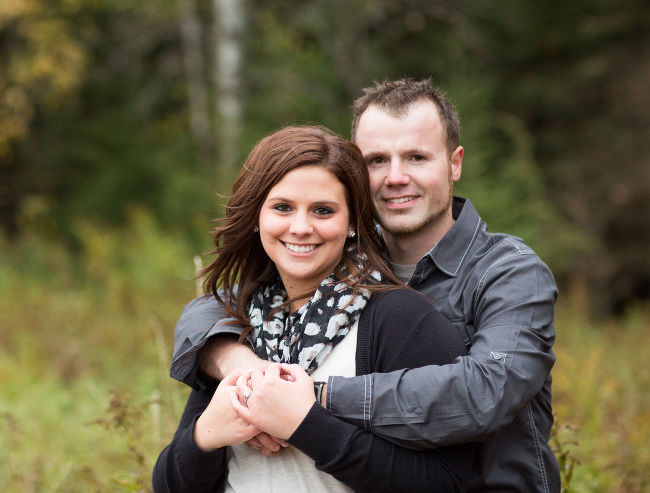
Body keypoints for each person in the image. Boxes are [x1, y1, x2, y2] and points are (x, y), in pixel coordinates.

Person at [169, 78, 560, 492]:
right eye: (376, 160)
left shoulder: (509, 272)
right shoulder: (335, 264)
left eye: (416, 157)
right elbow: (214, 308)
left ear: (454, 163)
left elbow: (485, 392)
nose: (395, 177)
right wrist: (238, 364)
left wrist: (310, 399)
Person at [152, 125, 476, 492]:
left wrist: (305, 426)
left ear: (352, 222)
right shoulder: (238, 323)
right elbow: (168, 485)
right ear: (257, 217)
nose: (301, 227)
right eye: (283, 207)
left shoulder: (401, 319)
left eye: (323, 210)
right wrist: (205, 435)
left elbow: (447, 482)